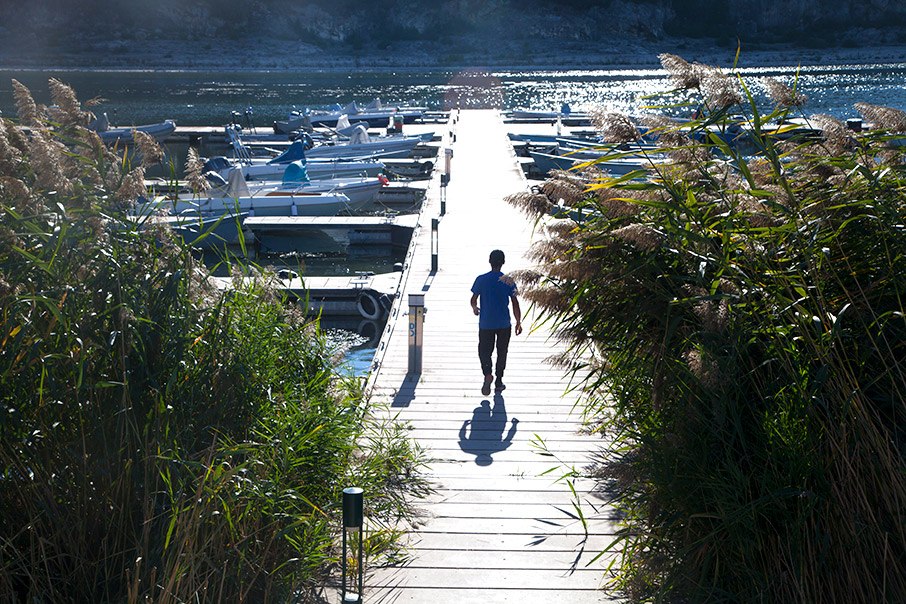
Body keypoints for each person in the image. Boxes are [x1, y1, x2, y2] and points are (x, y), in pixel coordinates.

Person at [470, 249, 522, 395]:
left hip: (486, 323)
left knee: (484, 351)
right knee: (502, 352)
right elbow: (515, 302)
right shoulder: (509, 280)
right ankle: (499, 382)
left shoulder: (481, 279)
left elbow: (473, 300)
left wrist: (475, 309)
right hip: (504, 323)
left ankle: (487, 373)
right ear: (503, 262)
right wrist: (518, 321)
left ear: (489, 262)